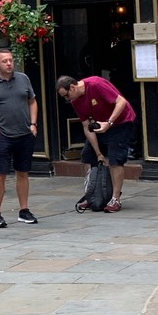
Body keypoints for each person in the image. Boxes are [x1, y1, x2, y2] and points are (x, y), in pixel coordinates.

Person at [58, 73, 137, 213]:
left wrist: (109, 123)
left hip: (120, 122)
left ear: (73, 87)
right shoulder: (75, 101)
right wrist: (98, 153)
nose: (67, 99)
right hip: (101, 124)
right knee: (88, 156)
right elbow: (86, 126)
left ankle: (115, 199)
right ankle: (92, 194)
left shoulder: (95, 84)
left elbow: (121, 102)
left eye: (66, 95)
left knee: (115, 159)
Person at [0, 48, 39, 228]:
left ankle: (24, 210)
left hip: (24, 133)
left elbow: (32, 101)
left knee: (23, 172)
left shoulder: (23, 79)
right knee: (0, 174)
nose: (9, 63)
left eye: (11, 60)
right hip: (3, 135)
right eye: (5, 61)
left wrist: (33, 124)